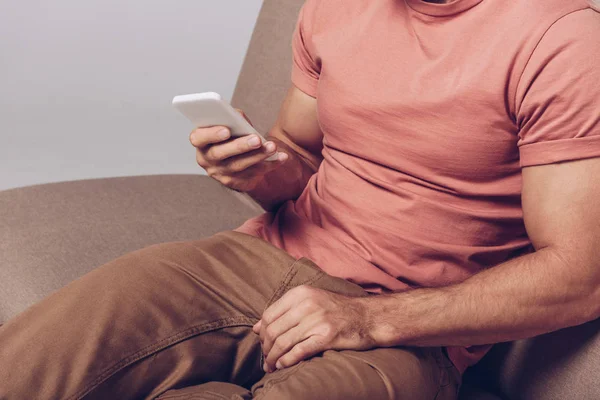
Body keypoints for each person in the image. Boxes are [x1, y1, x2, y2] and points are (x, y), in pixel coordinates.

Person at [1, 0, 599, 398]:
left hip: (407, 328)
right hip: (258, 260)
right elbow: (299, 153)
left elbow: (581, 276)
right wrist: (255, 165)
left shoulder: (565, 40)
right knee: (25, 366)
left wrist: (372, 319)